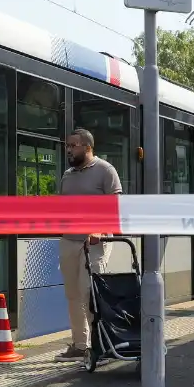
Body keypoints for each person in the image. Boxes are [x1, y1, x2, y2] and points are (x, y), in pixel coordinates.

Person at [55, 129, 123, 362]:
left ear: (87, 147)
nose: (69, 149)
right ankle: (80, 345)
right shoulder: (68, 175)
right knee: (73, 294)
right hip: (69, 241)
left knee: (90, 293)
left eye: (73, 145)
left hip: (96, 242)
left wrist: (100, 230)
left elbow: (115, 207)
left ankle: (100, 345)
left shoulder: (105, 170)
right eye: (68, 145)